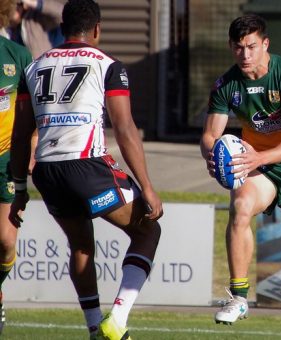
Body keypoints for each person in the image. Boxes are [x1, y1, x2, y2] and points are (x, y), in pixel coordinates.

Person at [9, 0, 162, 339]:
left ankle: (94, 330)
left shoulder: (34, 67)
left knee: (80, 248)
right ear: (97, 29)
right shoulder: (107, 65)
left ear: (62, 29)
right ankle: (118, 318)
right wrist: (147, 186)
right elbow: (124, 129)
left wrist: (19, 188)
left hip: (47, 172)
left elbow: (21, 135)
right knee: (148, 230)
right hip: (86, 166)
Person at [200, 13, 281, 340]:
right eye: (239, 47)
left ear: (265, 44)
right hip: (257, 167)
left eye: (251, 47)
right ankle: (239, 297)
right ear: (231, 47)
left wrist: (258, 156)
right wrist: (211, 156)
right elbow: (210, 135)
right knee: (240, 208)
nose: (245, 55)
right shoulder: (226, 84)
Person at [0, 0, 32, 335]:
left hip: (5, 161)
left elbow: (30, 116)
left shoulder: (17, 56)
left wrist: (32, 150)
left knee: (6, 241)